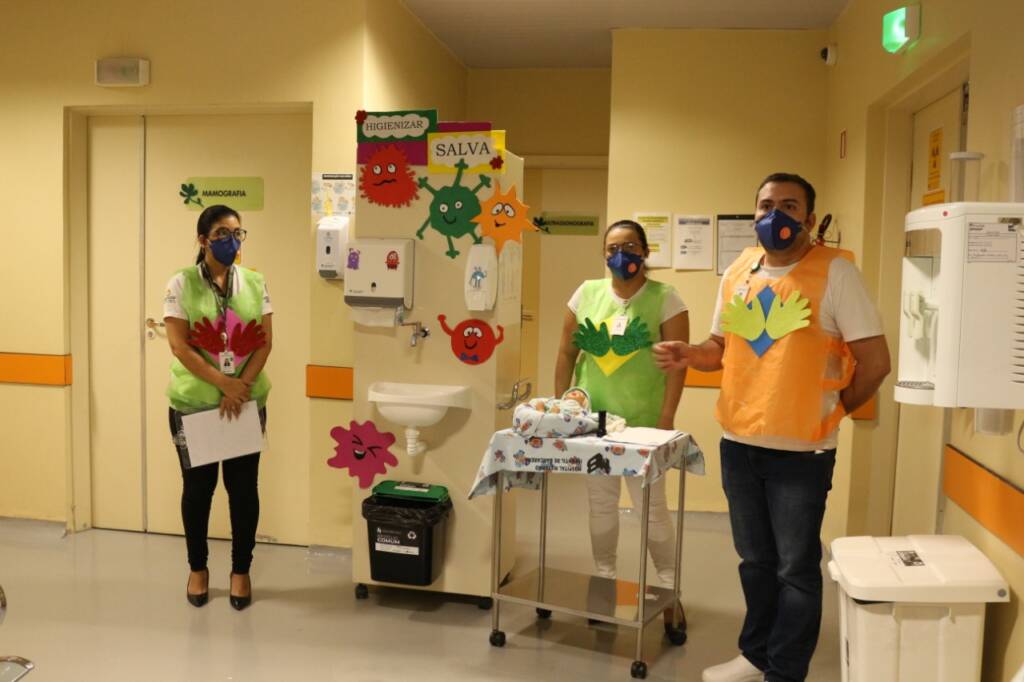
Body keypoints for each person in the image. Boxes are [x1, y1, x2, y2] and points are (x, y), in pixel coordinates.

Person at [653, 173, 891, 682]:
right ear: (754, 213)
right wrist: (690, 353)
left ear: (809, 218)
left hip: (802, 452)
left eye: (789, 205)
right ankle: (755, 654)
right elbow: (720, 349)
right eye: (766, 205)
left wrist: (834, 411)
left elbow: (875, 363)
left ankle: (784, 671)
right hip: (739, 442)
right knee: (754, 561)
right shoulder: (739, 269)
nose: (775, 215)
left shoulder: (836, 273)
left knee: (794, 568)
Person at [554, 219, 690, 629]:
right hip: (594, 421)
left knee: (652, 510)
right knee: (600, 505)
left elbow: (677, 364)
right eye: (613, 247)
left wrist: (666, 418)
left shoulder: (666, 298)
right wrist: (563, 408)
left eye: (630, 246)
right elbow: (566, 354)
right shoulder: (586, 293)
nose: (621, 254)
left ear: (645, 252)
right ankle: (605, 582)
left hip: (644, 424)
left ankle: (669, 590)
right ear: (603, 253)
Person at [163, 204, 273, 611]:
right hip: (195, 406)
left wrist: (239, 389)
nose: (231, 241)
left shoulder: (255, 282)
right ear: (203, 240)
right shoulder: (182, 283)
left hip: (244, 403)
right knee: (198, 492)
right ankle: (198, 569)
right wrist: (223, 383)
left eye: (237, 233)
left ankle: (241, 571)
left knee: (243, 492)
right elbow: (179, 346)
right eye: (222, 234)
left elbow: (265, 341)